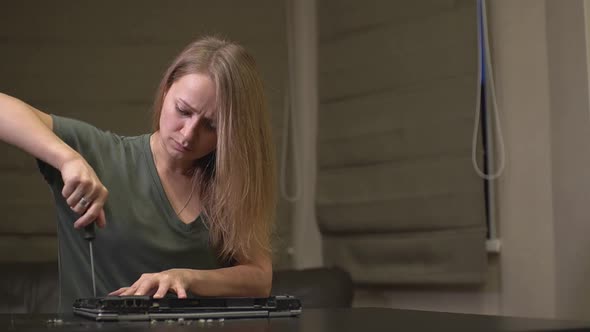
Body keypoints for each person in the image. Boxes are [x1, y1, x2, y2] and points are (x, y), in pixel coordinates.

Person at [0, 36, 276, 312]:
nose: (189, 133)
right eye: (183, 110)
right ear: (166, 90)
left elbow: (259, 278)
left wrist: (186, 277)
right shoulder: (99, 154)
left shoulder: (228, 185)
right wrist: (68, 159)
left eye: (212, 125)